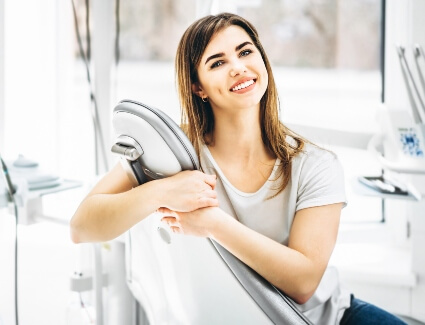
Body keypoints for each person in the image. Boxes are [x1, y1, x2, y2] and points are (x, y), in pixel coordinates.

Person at [70, 12, 407, 325]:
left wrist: (213, 224)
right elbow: (82, 227)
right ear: (197, 86)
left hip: (325, 319)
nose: (238, 67)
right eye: (218, 62)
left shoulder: (315, 164)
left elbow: (304, 282)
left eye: (246, 52)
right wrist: (161, 190)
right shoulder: (174, 154)